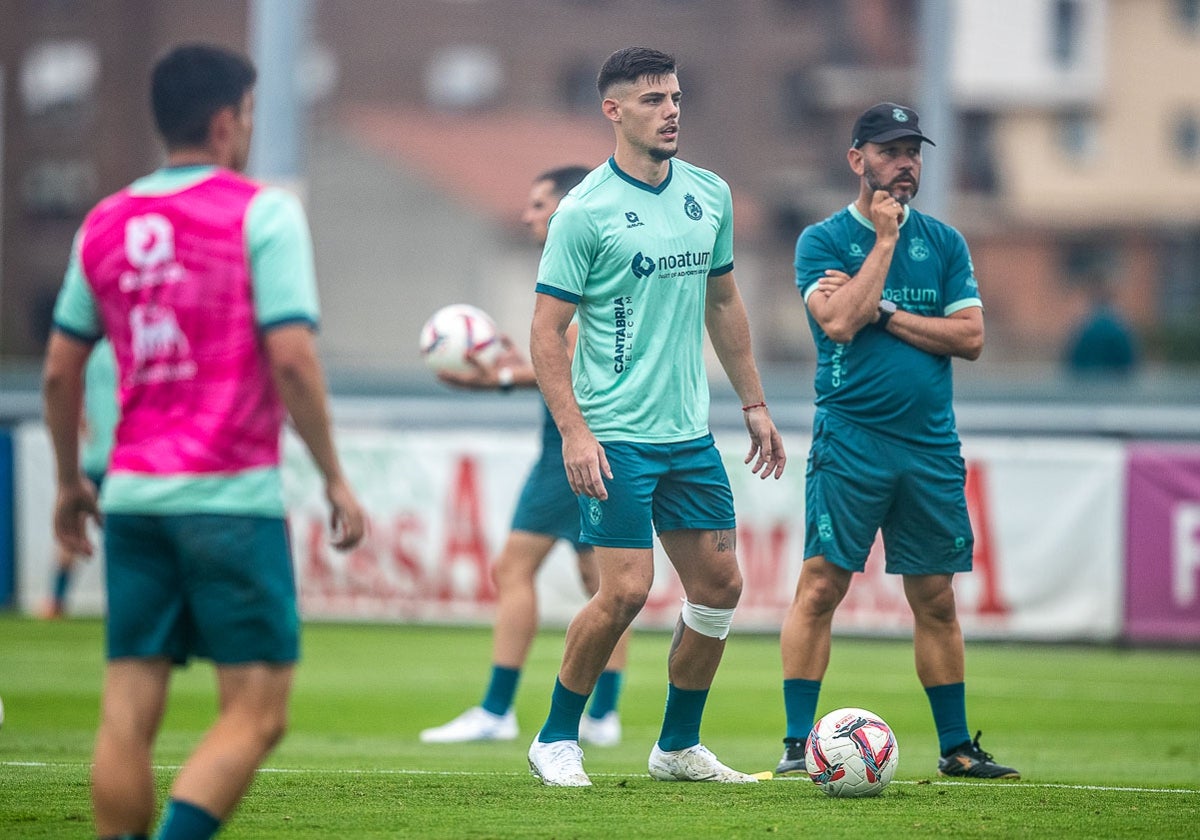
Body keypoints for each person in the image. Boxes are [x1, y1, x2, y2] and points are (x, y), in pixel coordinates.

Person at [42, 43, 366, 840]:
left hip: (134, 497)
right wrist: (334, 478)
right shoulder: (263, 211)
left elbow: (57, 373)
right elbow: (291, 358)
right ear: (227, 121)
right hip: (229, 497)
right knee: (256, 713)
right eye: (250, 115)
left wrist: (67, 483)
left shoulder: (105, 220)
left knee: (126, 711)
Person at [526, 46, 786, 787]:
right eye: (651, 100)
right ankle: (554, 737)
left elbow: (726, 302)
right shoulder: (583, 213)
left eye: (674, 97)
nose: (671, 110)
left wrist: (755, 404)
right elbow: (546, 332)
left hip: (689, 436)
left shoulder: (710, 192)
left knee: (719, 590)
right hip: (614, 437)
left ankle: (676, 747)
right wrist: (576, 431)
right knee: (627, 592)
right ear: (613, 111)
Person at [775, 102, 1019, 780]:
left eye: (913, 150)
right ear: (857, 160)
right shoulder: (822, 241)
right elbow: (842, 325)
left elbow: (969, 338)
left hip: (929, 447)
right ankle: (800, 745)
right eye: (889, 150)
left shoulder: (944, 242)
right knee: (821, 586)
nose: (904, 162)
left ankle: (956, 748)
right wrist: (881, 247)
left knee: (935, 597)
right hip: (851, 440)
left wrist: (887, 311)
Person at [419, 166, 631, 747]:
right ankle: (604, 715)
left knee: (515, 569)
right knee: (604, 580)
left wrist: (502, 377)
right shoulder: (599, 252)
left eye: (539, 204)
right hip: (595, 440)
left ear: (564, 209)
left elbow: (568, 347)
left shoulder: (580, 255)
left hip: (572, 446)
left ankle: (496, 709)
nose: (527, 214)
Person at [43, 336, 118, 619]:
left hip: (93, 456)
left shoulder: (89, 352)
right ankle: (120, 603)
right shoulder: (128, 345)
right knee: (122, 538)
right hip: (122, 457)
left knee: (73, 528)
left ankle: (56, 601)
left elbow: (67, 390)